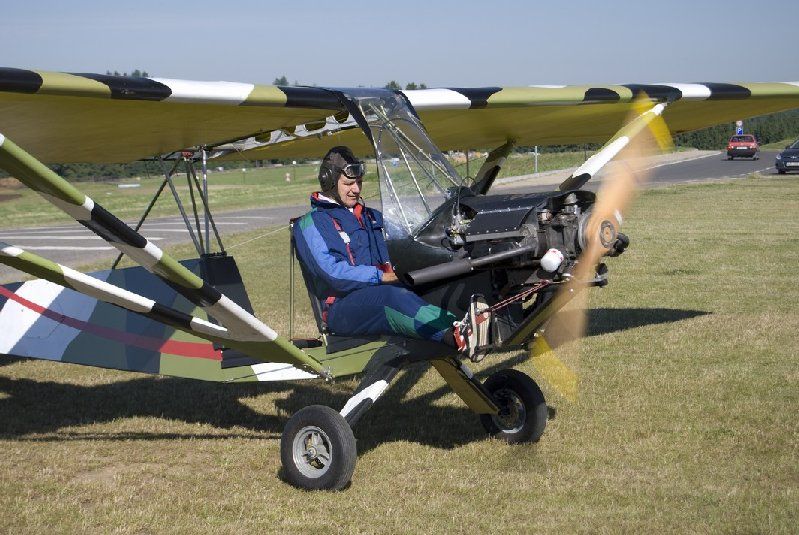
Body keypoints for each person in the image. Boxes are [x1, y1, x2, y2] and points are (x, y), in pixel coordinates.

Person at [292, 146, 488, 357]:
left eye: (359, 182)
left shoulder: (371, 216)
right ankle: (458, 335)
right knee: (390, 297)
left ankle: (483, 318)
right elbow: (332, 272)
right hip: (341, 308)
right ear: (328, 182)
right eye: (348, 184)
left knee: (434, 281)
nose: (356, 189)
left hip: (383, 291)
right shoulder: (310, 224)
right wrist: (381, 276)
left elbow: (408, 242)